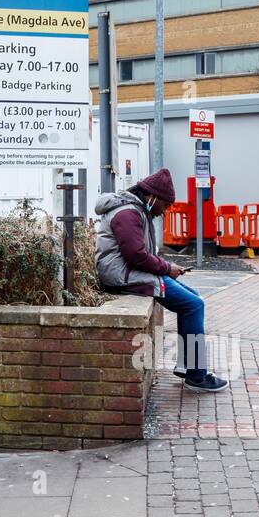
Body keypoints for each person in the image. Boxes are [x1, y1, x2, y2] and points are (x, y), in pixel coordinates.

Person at [94, 167, 229, 393]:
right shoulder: (128, 213)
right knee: (194, 305)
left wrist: (166, 268)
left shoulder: (135, 209)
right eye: (165, 205)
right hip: (122, 275)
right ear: (153, 196)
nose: (164, 211)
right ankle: (197, 376)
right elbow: (136, 255)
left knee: (193, 299)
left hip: (129, 271)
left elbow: (139, 254)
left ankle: (188, 366)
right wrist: (167, 268)